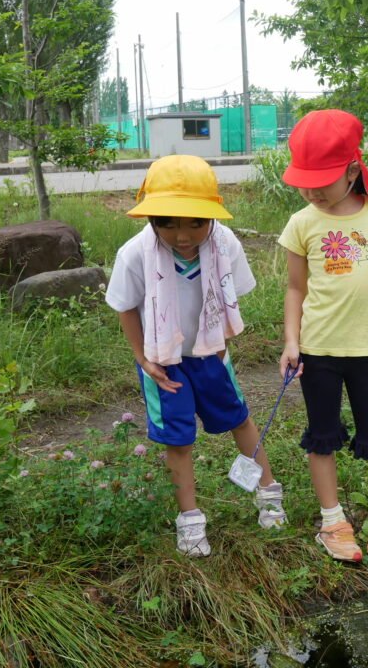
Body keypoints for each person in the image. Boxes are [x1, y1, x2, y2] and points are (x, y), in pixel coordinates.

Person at [105, 154, 285, 558]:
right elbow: (125, 307)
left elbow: (230, 296)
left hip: (210, 354)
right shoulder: (135, 254)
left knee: (239, 418)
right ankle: (190, 520)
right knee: (179, 438)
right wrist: (144, 359)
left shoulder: (224, 245)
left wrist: (220, 349)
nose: (181, 235)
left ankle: (268, 494)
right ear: (150, 218)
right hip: (162, 361)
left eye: (195, 222)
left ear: (212, 218)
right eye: (167, 221)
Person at [278, 109, 368, 562]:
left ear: (350, 170)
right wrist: (290, 341)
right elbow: (295, 288)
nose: (312, 190)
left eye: (321, 180)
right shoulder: (302, 223)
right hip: (318, 349)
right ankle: (332, 523)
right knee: (322, 435)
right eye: (304, 181)